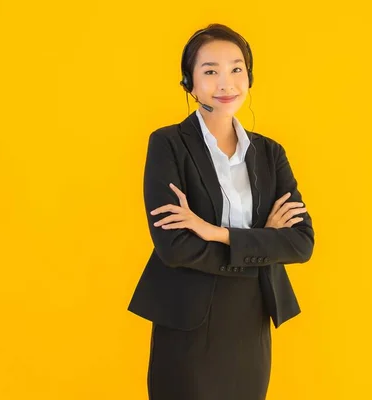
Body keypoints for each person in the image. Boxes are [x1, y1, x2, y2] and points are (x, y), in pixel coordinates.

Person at [127, 23, 315, 400]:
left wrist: (217, 232)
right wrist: (261, 242)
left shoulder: (270, 153)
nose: (226, 82)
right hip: (187, 323)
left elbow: (300, 243)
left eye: (236, 69)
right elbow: (174, 246)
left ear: (249, 77)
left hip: (250, 322)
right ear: (190, 83)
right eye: (210, 71)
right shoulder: (167, 144)